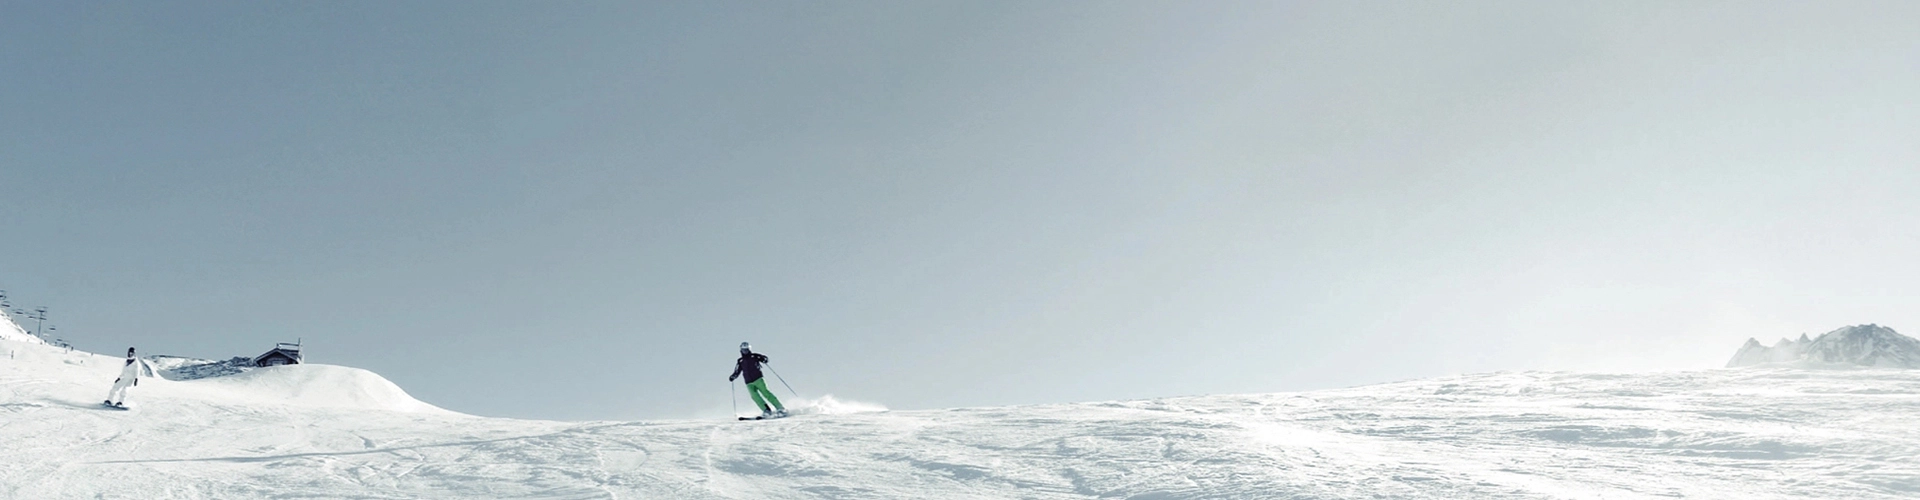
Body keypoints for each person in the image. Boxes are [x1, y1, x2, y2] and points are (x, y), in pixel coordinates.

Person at [729, 342, 786, 418]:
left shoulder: (754, 356)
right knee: (755, 397)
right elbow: (737, 370)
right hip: (748, 382)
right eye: (743, 350)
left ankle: (780, 408)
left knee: (766, 393)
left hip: (758, 378)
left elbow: (764, 358)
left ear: (749, 349)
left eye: (746, 350)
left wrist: (764, 359)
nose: (745, 352)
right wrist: (733, 376)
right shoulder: (740, 361)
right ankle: (766, 410)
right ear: (741, 350)